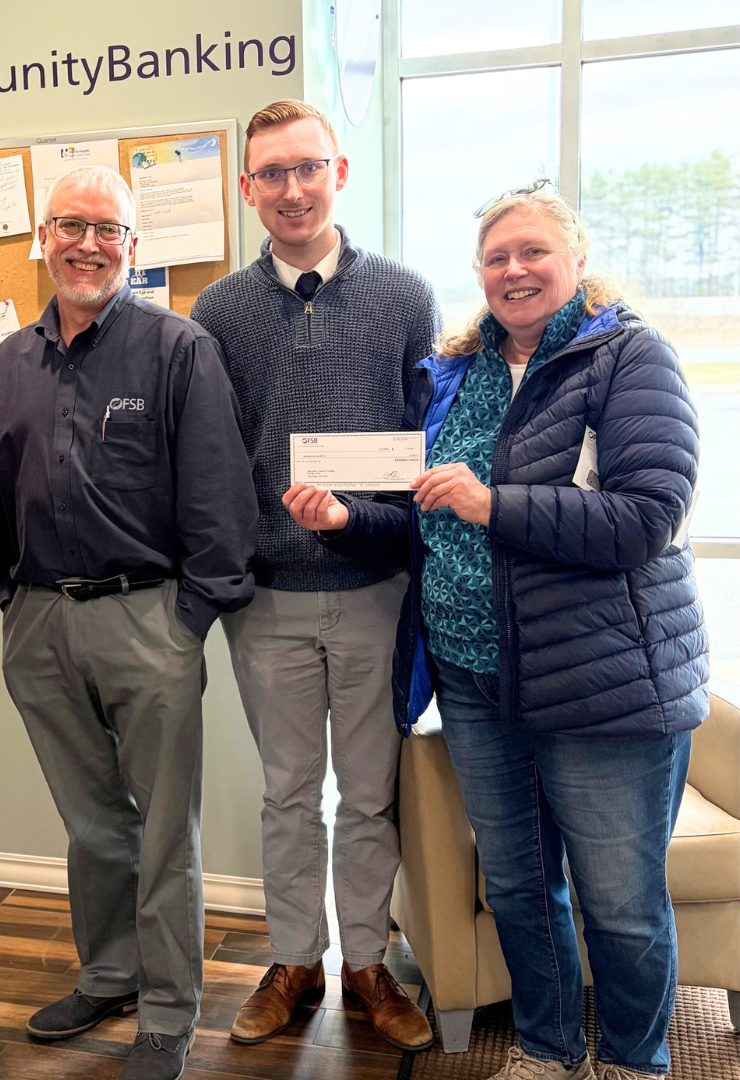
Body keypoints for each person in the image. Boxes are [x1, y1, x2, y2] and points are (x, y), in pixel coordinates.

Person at [284, 182, 707, 1080]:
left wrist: (493, 502)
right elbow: (430, 523)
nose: (513, 271)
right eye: (495, 257)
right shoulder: (455, 372)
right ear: (477, 273)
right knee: (517, 884)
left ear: (577, 260)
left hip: (604, 683)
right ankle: (549, 1049)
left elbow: (646, 518)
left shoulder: (629, 358)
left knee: (621, 904)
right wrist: (345, 522)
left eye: (533, 253)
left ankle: (636, 1061)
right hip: (476, 682)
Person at [0, 164, 256, 1080]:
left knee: (165, 828)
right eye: (69, 226)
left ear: (132, 247)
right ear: (40, 242)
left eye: (106, 229)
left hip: (149, 622)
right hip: (41, 623)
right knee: (93, 825)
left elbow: (220, 495)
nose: (87, 244)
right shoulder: (11, 359)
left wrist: (189, 618)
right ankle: (109, 973)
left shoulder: (178, 348)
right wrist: (11, 594)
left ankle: (169, 1011)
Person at [190, 100, 438, 1051]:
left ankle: (369, 964)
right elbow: (211, 461)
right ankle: (295, 960)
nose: (291, 190)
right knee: (289, 794)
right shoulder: (218, 311)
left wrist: (359, 523)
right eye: (271, 175)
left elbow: (428, 452)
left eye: (307, 168)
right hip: (267, 605)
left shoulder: (405, 297)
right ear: (247, 189)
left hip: (377, 590)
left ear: (339, 171)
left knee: (371, 792)